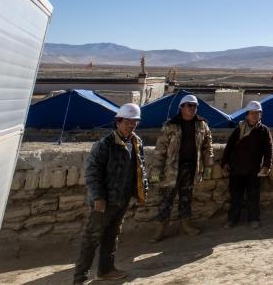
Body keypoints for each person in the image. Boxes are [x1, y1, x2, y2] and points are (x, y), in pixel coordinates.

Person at [73, 103, 148, 284]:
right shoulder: (104, 145)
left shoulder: (136, 142)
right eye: (127, 122)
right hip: (104, 201)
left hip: (122, 199)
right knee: (92, 237)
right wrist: (98, 197)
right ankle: (80, 278)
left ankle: (106, 270)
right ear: (118, 122)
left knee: (112, 235)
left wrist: (141, 190)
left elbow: (140, 168)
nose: (131, 125)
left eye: (134, 122)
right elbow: (92, 172)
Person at [148, 94, 214, 242]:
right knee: (166, 200)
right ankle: (160, 230)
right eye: (189, 105)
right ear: (181, 107)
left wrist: (208, 167)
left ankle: (186, 226)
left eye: (194, 106)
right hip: (172, 170)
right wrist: (156, 171)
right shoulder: (170, 125)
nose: (192, 108)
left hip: (191, 169)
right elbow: (160, 149)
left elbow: (207, 147)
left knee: (186, 198)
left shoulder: (202, 125)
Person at [220, 100, 273, 228]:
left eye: (257, 113)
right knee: (236, 196)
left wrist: (267, 165)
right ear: (247, 114)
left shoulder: (264, 131)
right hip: (236, 168)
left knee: (253, 196)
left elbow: (268, 149)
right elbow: (230, 146)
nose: (255, 115)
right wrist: (225, 162)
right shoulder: (239, 129)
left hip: (253, 169)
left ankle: (253, 218)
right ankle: (232, 219)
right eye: (252, 113)